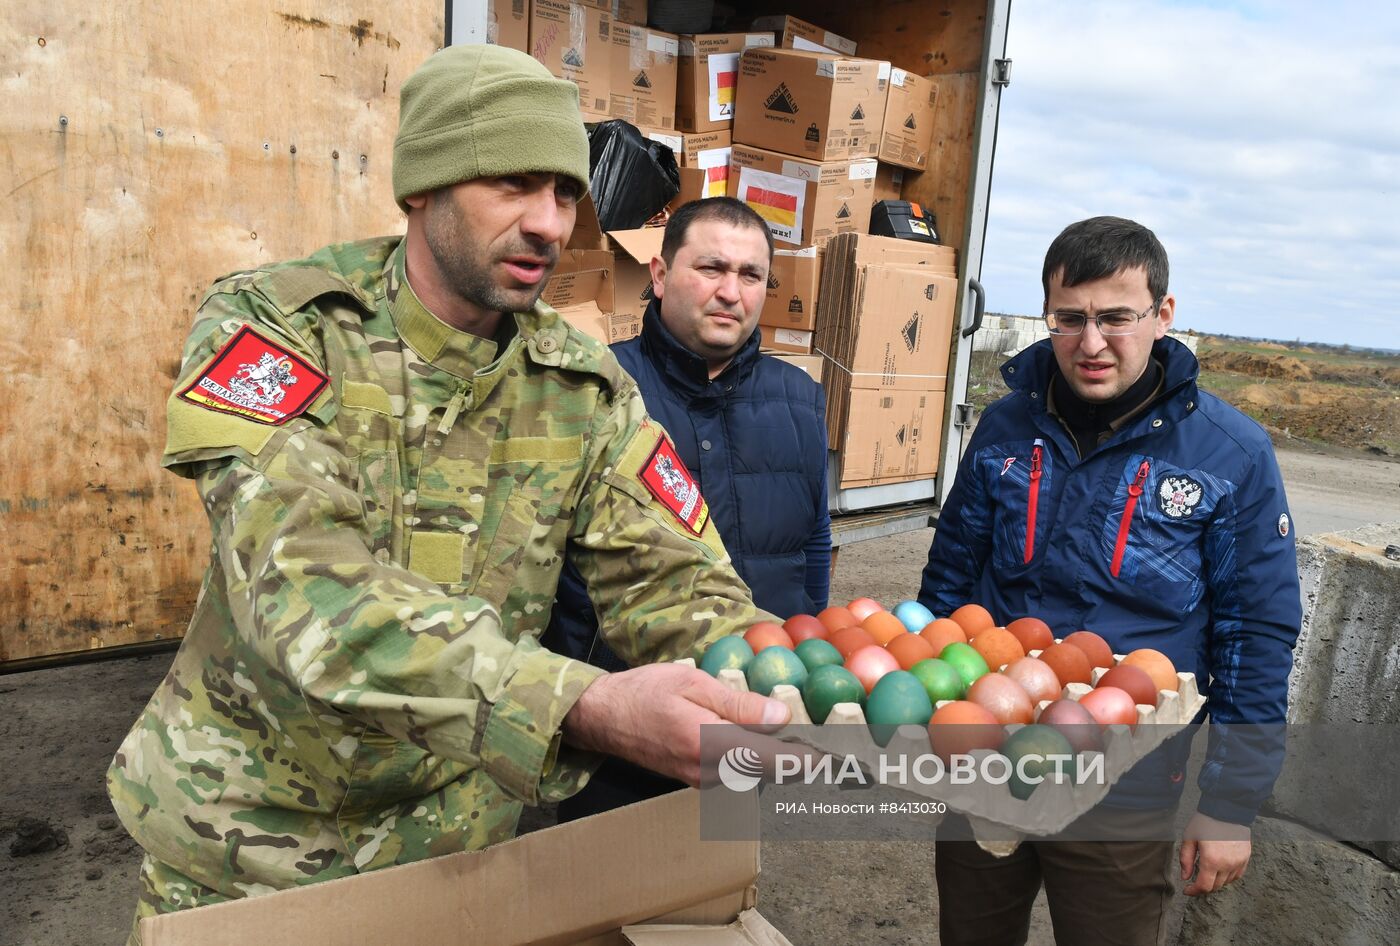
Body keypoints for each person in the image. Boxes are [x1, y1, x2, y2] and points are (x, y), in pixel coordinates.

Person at [106, 44, 790, 940]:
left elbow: (672, 575)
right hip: (250, 857)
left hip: (461, 858)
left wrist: (779, 678)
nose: (550, 223)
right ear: (422, 186)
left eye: (564, 192)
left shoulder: (581, 384)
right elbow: (307, 585)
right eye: (512, 184)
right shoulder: (281, 327)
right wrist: (582, 705)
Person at [919, 216, 1301, 945]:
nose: (1091, 343)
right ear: (1048, 317)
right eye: (1070, 319)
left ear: (1162, 316)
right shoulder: (1004, 429)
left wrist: (1229, 805)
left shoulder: (1229, 454)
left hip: (1126, 782)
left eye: (1116, 317)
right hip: (986, 755)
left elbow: (1255, 634)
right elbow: (949, 586)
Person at [545, 197, 831, 818]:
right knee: (602, 902)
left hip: (747, 717)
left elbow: (812, 546)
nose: (731, 292)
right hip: (623, 734)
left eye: (750, 275)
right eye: (710, 268)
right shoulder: (593, 390)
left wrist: (799, 659)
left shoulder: (801, 400)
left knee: (722, 897)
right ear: (657, 275)